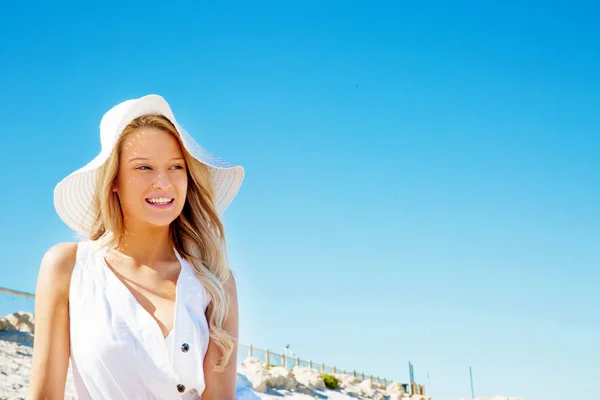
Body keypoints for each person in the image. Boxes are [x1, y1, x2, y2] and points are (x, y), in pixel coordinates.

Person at [28, 94, 260, 399]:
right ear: (114, 180)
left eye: (176, 167)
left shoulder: (216, 282)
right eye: (143, 168)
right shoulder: (68, 267)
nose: (163, 182)